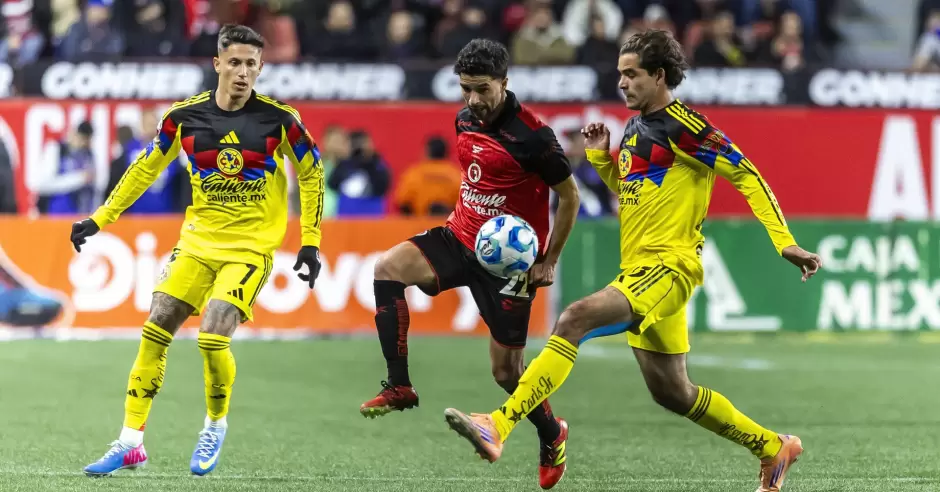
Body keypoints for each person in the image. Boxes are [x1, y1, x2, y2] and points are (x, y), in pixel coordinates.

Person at [442, 30, 822, 492]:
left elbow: (747, 174)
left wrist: (784, 242)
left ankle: (498, 424)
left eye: (631, 74)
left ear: (659, 76)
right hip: (641, 270)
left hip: (668, 268)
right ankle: (772, 447)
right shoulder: (636, 129)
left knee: (574, 318)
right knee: (673, 391)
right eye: (620, 74)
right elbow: (633, 194)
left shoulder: (687, 127)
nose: (621, 83)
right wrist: (602, 161)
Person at [72, 24, 325, 478]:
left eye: (251, 64)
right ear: (217, 63)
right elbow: (144, 168)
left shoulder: (281, 121)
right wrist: (101, 218)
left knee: (212, 337)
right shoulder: (183, 118)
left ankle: (214, 425)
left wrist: (311, 240)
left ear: (260, 68)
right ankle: (130, 443)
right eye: (235, 62)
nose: (243, 72)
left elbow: (312, 173)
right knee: (156, 326)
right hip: (197, 243)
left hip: (250, 249)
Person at [359, 38, 581, 490]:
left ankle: (551, 434)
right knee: (387, 269)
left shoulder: (534, 137)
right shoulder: (463, 119)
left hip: (510, 264)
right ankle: (400, 385)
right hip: (460, 237)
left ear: (504, 81)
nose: (474, 99)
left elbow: (570, 197)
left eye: (483, 89)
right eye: (466, 89)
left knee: (506, 374)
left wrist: (549, 259)